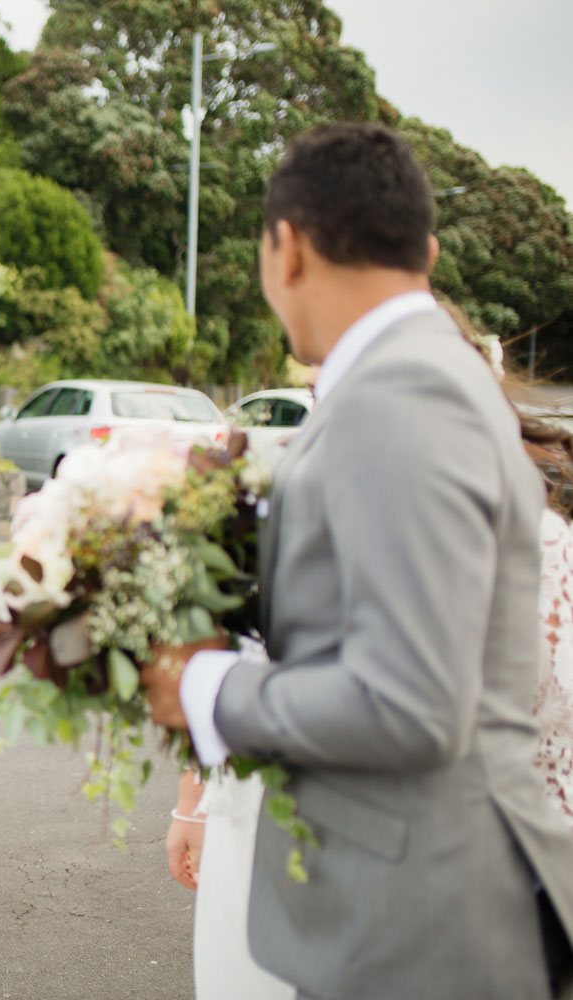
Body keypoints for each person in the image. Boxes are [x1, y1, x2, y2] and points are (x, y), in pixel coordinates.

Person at [140, 122, 573, 1000]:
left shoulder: (399, 395)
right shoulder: (437, 375)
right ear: (428, 248)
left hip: (429, 927)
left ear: (286, 248)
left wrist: (200, 686)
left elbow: (411, 702)